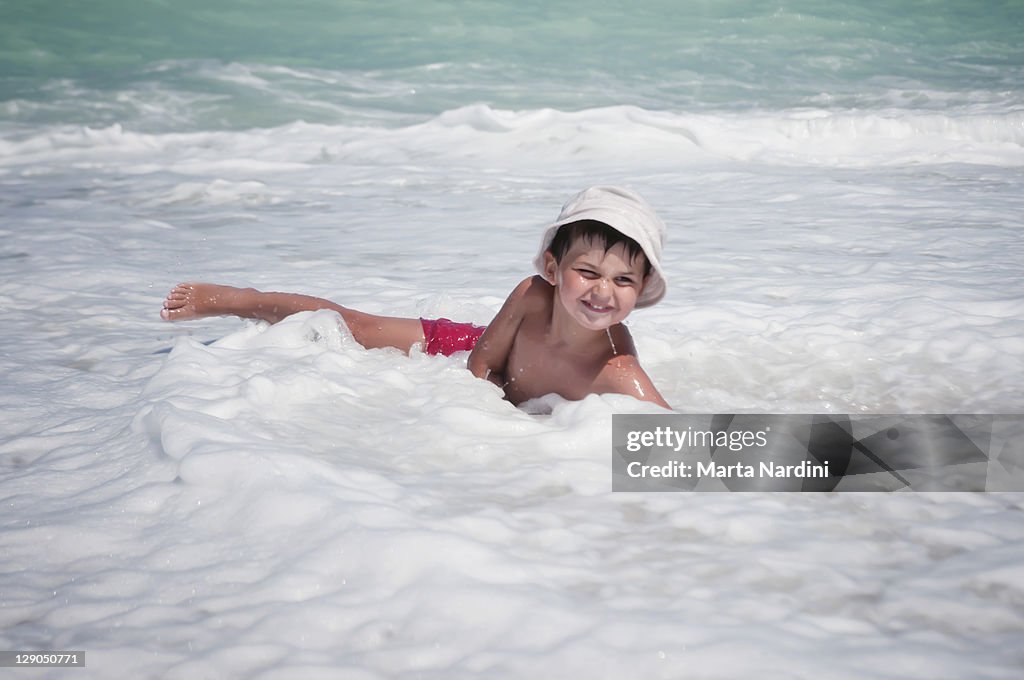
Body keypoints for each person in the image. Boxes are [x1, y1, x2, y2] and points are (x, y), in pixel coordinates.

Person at [161, 186, 672, 408]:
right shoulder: (533, 295)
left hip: (509, 383)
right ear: (554, 269)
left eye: (623, 281)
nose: (603, 292)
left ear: (641, 289)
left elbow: (678, 441)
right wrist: (464, 410)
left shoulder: (618, 368)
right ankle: (241, 299)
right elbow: (481, 365)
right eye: (588, 272)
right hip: (472, 349)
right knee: (354, 328)